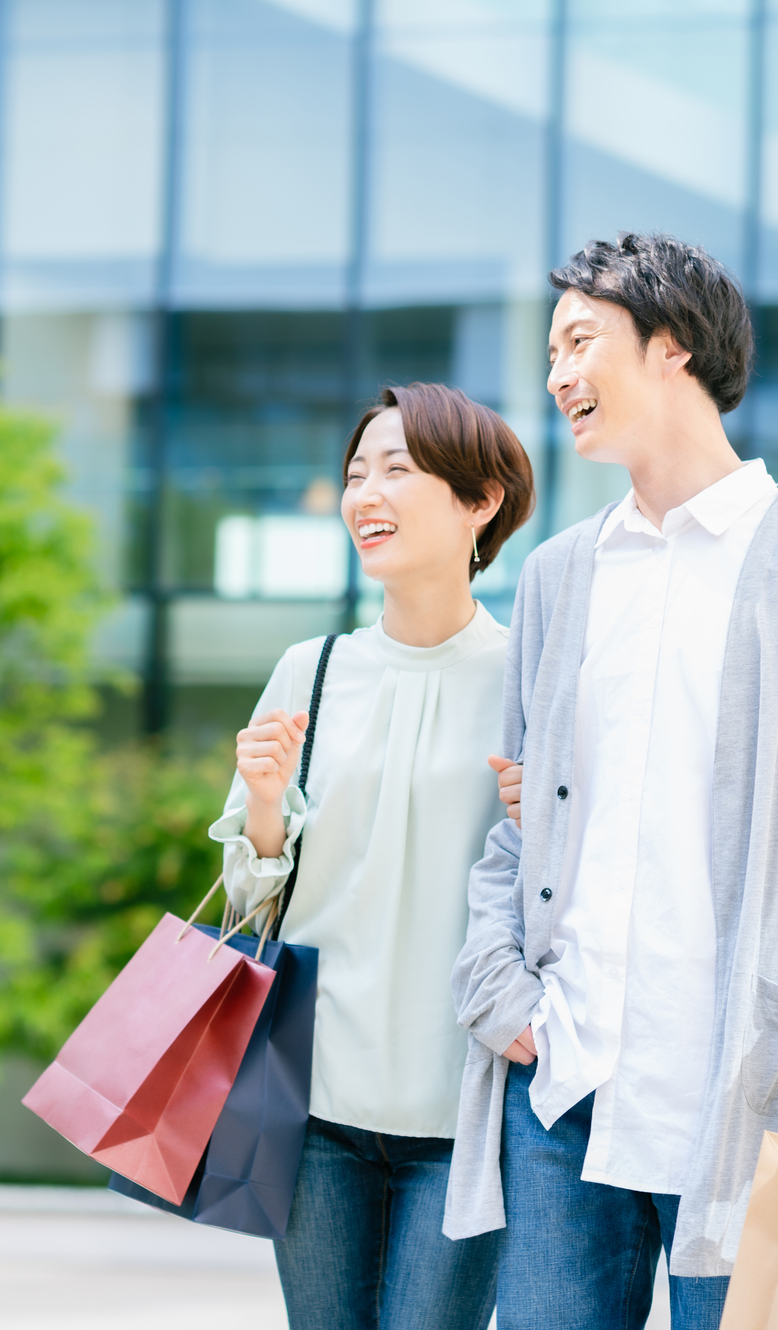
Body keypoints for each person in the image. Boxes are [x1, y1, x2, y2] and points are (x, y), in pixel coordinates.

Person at [445, 234, 778, 1330]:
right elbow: (514, 825)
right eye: (548, 352)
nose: (555, 376)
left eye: (578, 342)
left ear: (671, 347)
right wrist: (499, 991)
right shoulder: (561, 575)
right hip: (562, 1092)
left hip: (754, 1094)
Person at [214, 382, 533, 1330]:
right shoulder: (310, 669)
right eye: (357, 473)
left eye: (398, 469)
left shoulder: (531, 677)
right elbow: (249, 897)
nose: (366, 494)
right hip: (312, 1101)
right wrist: (266, 805)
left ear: (481, 503)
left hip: (465, 1109)